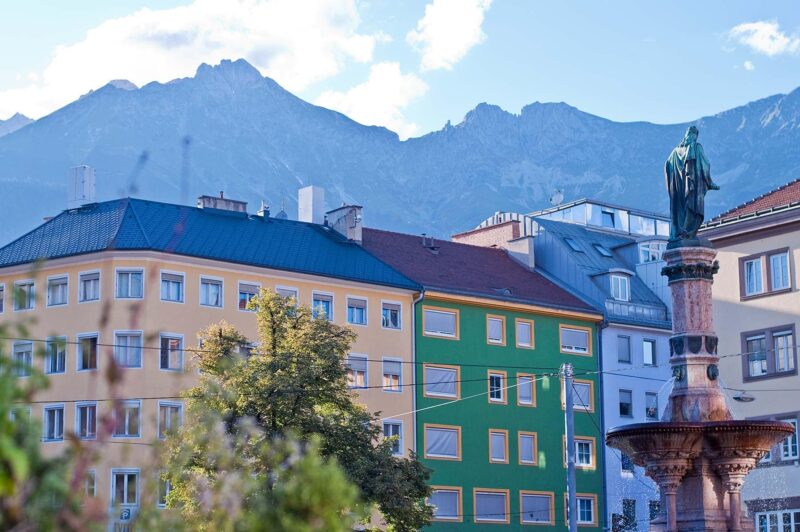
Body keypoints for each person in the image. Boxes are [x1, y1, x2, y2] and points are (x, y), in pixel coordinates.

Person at [664, 126, 719, 245]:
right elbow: (705, 165)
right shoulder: (695, 147)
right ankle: (688, 232)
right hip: (692, 189)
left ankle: (681, 230)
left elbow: (667, 167)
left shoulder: (674, 153)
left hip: (677, 192)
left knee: (681, 211)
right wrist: (709, 182)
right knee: (693, 210)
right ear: (694, 136)